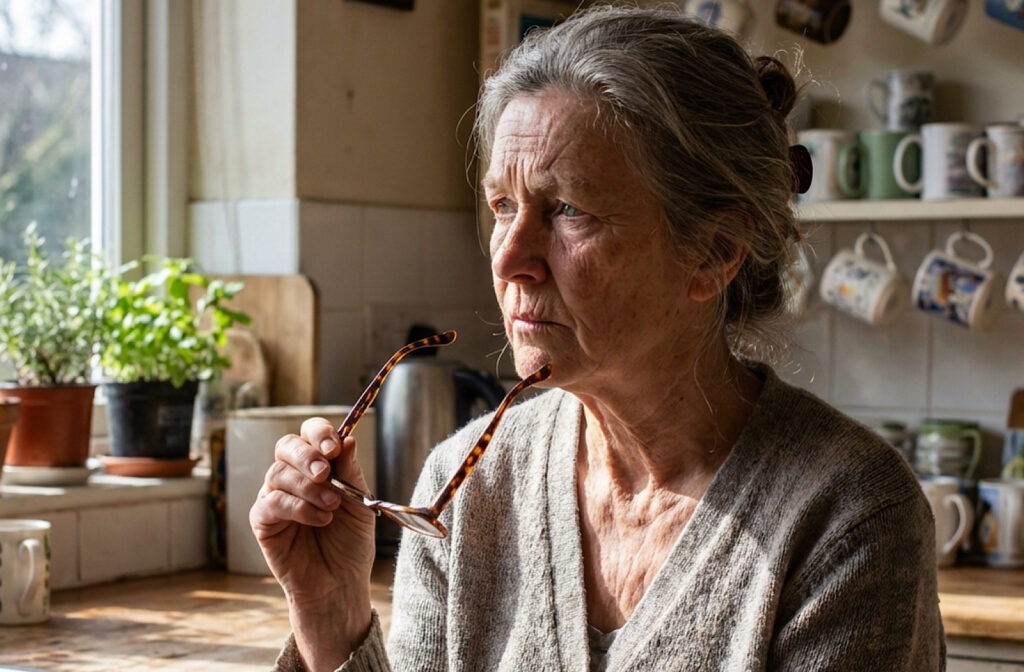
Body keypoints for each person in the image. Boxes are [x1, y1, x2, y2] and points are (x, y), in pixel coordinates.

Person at [252, 5, 944, 671]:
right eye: (503, 207)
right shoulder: (468, 489)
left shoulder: (850, 520)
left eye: (568, 211)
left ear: (714, 251)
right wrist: (331, 614)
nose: (508, 258)